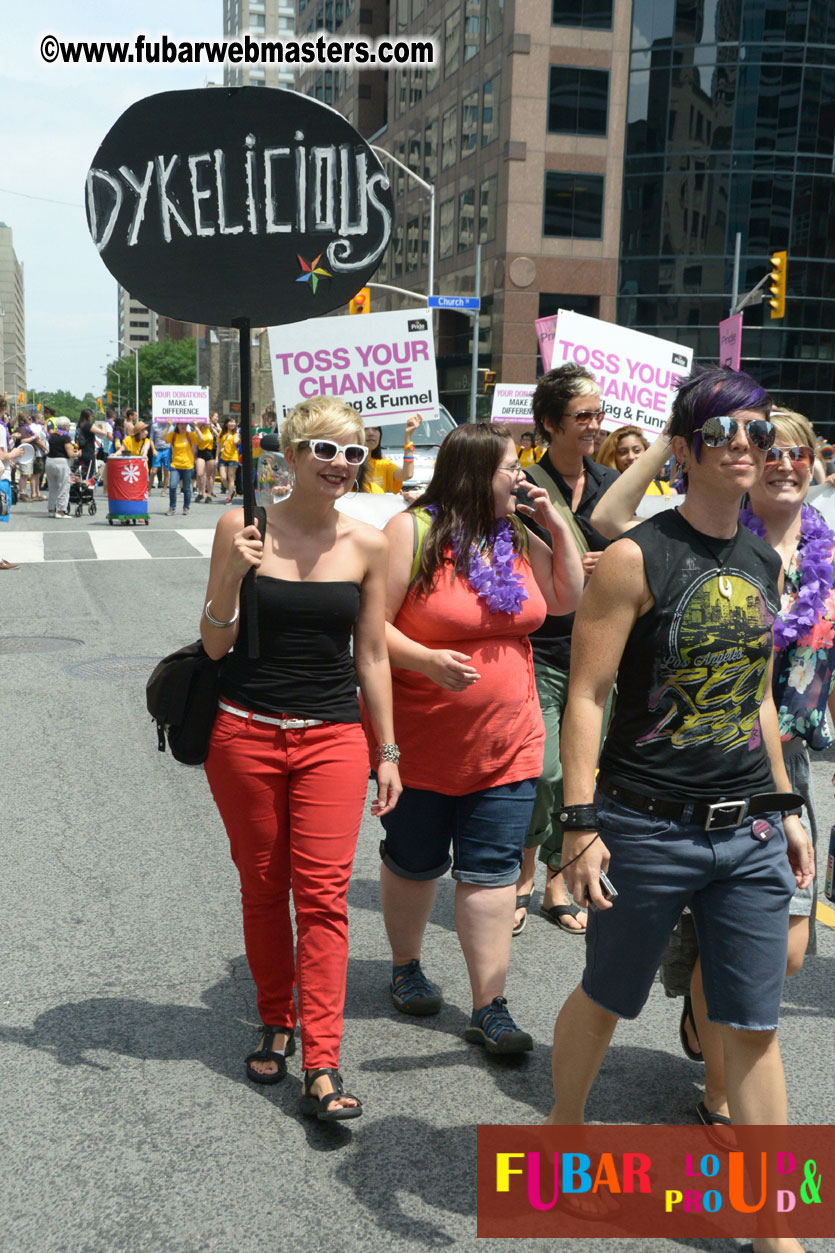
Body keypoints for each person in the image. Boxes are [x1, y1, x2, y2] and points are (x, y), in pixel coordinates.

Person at [546, 366, 814, 1253]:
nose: (751, 448)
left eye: (759, 435)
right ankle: (565, 1132)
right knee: (607, 995)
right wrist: (577, 823)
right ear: (690, 449)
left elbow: (759, 699)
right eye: (729, 434)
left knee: (754, 1024)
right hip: (643, 822)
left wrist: (788, 809)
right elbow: (584, 694)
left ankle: (777, 1227)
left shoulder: (761, 559)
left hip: (745, 829)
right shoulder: (635, 556)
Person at [202, 396, 401, 1120]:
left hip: (331, 739)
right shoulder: (241, 525)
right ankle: (274, 1015)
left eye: (354, 450)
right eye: (325, 449)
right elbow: (215, 643)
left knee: (321, 898)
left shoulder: (369, 544)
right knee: (262, 886)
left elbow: (372, 654)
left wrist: (387, 749)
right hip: (244, 734)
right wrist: (233, 572)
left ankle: (321, 1059)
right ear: (289, 455)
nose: (341, 463)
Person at [374, 423, 584, 1052]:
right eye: (510, 469)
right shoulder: (409, 533)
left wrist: (554, 522)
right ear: (472, 472)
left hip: (510, 740)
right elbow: (370, 631)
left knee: (492, 875)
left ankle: (489, 1006)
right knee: (414, 862)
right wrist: (428, 660)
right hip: (424, 743)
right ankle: (406, 968)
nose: (520, 477)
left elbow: (569, 596)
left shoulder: (514, 533)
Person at [512, 364, 619, 937]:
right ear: (550, 423)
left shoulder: (611, 485)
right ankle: (522, 873)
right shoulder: (523, 484)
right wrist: (567, 564)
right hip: (541, 649)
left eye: (600, 415)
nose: (596, 426)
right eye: (584, 416)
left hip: (599, 653)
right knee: (544, 770)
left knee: (580, 771)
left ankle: (556, 879)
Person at [596, 425, 675, 496]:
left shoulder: (662, 489)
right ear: (613, 457)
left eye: (637, 450)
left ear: (646, 451)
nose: (631, 457)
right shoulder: (604, 491)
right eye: (623, 452)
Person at [362, 413, 422, 492]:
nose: (371, 433)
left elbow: (407, 474)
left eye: (375, 429)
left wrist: (408, 437)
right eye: (365, 429)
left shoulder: (383, 465)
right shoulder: (345, 464)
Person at [164, 423, 199, 516]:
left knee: (186, 488)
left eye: (185, 424)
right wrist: (168, 426)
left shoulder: (190, 434)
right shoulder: (173, 435)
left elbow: (201, 439)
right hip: (175, 465)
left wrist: (196, 426)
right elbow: (162, 437)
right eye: (181, 424)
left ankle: (186, 507)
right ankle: (172, 508)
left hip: (188, 465)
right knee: (172, 486)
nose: (183, 426)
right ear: (177, 425)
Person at [45, 418, 76, 518]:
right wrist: (78, 453)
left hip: (49, 461)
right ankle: (61, 511)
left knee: (52, 487)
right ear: (66, 426)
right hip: (61, 462)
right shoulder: (66, 437)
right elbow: (70, 453)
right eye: (69, 425)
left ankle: (51, 510)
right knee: (63, 487)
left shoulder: (52, 436)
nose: (69, 427)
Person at [74, 408, 108, 480]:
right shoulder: (88, 425)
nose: (92, 417)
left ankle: (81, 487)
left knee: (83, 473)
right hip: (88, 452)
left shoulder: (80, 425)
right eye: (92, 416)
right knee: (88, 474)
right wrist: (103, 426)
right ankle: (86, 488)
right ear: (88, 416)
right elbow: (103, 433)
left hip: (81, 452)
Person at [195, 416, 219, 502]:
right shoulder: (198, 430)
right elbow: (195, 442)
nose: (206, 423)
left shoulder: (211, 430)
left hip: (210, 453)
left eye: (208, 421)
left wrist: (213, 428)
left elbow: (219, 437)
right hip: (201, 452)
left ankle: (209, 494)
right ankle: (201, 492)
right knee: (200, 473)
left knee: (209, 475)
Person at [217, 418, 241, 502]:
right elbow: (219, 446)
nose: (232, 424)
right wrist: (216, 457)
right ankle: (232, 490)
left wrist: (237, 432)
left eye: (234, 422)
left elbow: (235, 442)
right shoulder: (222, 433)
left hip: (233, 458)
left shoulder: (236, 434)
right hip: (223, 458)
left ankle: (229, 497)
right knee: (223, 478)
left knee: (231, 477)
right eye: (230, 422)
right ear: (226, 423)